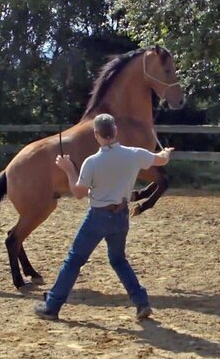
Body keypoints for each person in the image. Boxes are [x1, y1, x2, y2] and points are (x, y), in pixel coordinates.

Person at [34, 113, 174, 320]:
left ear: (96, 134)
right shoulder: (135, 154)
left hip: (98, 217)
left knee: (74, 260)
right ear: (115, 131)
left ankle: (52, 306)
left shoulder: (92, 162)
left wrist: (69, 169)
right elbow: (161, 160)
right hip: (121, 215)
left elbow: (79, 192)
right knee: (118, 260)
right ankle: (141, 302)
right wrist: (166, 152)